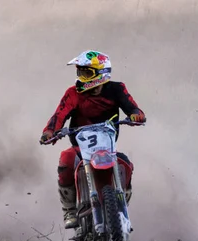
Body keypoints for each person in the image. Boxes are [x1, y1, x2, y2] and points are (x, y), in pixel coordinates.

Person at [39, 50, 146, 231]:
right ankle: (69, 210)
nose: (81, 76)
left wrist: (136, 116)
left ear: (101, 74)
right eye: (79, 72)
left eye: (86, 73)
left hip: (107, 147)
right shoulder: (73, 93)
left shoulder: (117, 89)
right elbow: (60, 114)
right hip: (81, 147)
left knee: (126, 164)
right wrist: (50, 131)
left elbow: (134, 109)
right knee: (65, 159)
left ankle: (121, 208)